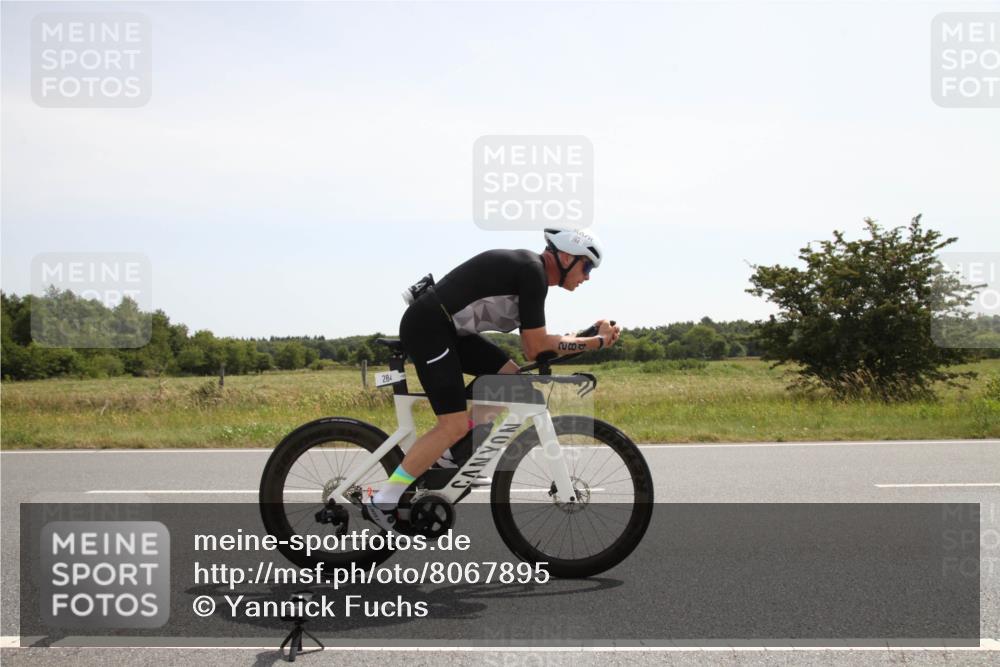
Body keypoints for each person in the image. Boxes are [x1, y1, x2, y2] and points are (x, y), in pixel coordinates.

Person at [364, 227, 622, 531]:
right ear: (566, 256)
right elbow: (535, 347)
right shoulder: (532, 273)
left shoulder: (533, 275)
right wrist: (597, 343)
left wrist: (585, 335)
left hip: (449, 331)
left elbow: (539, 345)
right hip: (429, 328)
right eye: (587, 266)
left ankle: (447, 459)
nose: (588, 276)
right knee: (453, 424)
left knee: (508, 379)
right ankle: (384, 499)